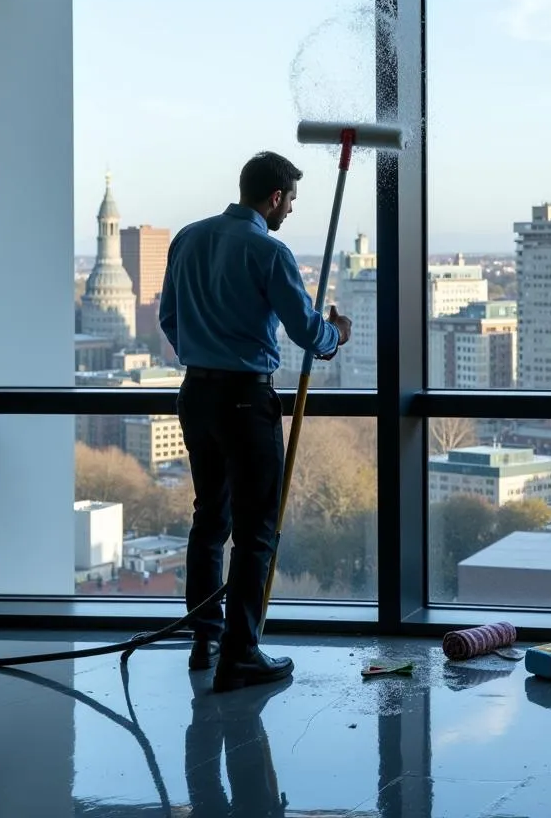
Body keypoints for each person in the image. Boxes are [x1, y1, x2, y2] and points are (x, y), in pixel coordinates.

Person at [160, 151, 352, 693]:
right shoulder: (270, 251)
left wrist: (203, 353)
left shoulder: (187, 239)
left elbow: (169, 318)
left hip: (196, 394)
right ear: (274, 197)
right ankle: (241, 654)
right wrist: (336, 334)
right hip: (246, 402)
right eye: (290, 200)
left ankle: (206, 638)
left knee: (209, 520)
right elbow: (305, 330)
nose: (290, 210)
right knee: (255, 532)